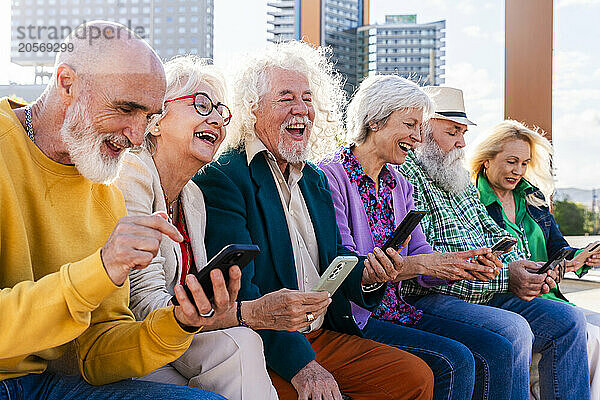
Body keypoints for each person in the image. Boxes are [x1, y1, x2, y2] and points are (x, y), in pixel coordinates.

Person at [194, 41, 434, 400]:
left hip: (324, 331)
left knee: (414, 377)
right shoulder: (226, 176)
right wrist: (302, 367)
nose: (301, 110)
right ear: (252, 108)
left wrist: (369, 275)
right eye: (286, 97)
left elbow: (340, 263)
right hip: (268, 340)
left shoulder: (314, 178)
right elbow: (241, 291)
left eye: (307, 99)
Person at [0, 22, 227, 399]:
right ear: (67, 84)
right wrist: (101, 268)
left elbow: (96, 354)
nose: (137, 136)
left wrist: (178, 323)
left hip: (41, 385)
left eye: (149, 117)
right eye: (125, 108)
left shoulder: (107, 191)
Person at [318, 74, 519, 400]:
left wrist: (458, 266)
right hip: (355, 316)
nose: (417, 136)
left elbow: (422, 252)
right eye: (410, 125)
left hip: (398, 309)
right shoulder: (330, 175)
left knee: (495, 348)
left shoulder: (399, 184)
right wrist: (429, 264)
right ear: (375, 120)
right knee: (455, 361)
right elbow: (350, 266)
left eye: (420, 126)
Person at [397, 86, 590, 400]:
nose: (461, 142)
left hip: (485, 290)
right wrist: (508, 277)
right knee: (513, 329)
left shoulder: (456, 177)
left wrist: (529, 269)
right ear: (423, 129)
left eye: (463, 133)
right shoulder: (408, 178)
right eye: (452, 132)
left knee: (568, 320)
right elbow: (430, 269)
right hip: (431, 297)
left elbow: (497, 238)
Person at [116, 55, 289, 399]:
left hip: (171, 336)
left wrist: (220, 304)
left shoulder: (192, 195)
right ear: (156, 120)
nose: (216, 119)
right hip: (128, 341)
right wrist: (247, 313)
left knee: (240, 345)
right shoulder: (130, 174)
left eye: (221, 113)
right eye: (201, 104)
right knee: (239, 344)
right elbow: (143, 304)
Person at [470, 119, 600, 399]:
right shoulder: (471, 200)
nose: (518, 171)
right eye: (511, 161)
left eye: (524, 163)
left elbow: (558, 248)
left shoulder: (533, 197)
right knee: (589, 336)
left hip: (546, 295)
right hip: (503, 295)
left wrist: (584, 256)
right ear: (486, 160)